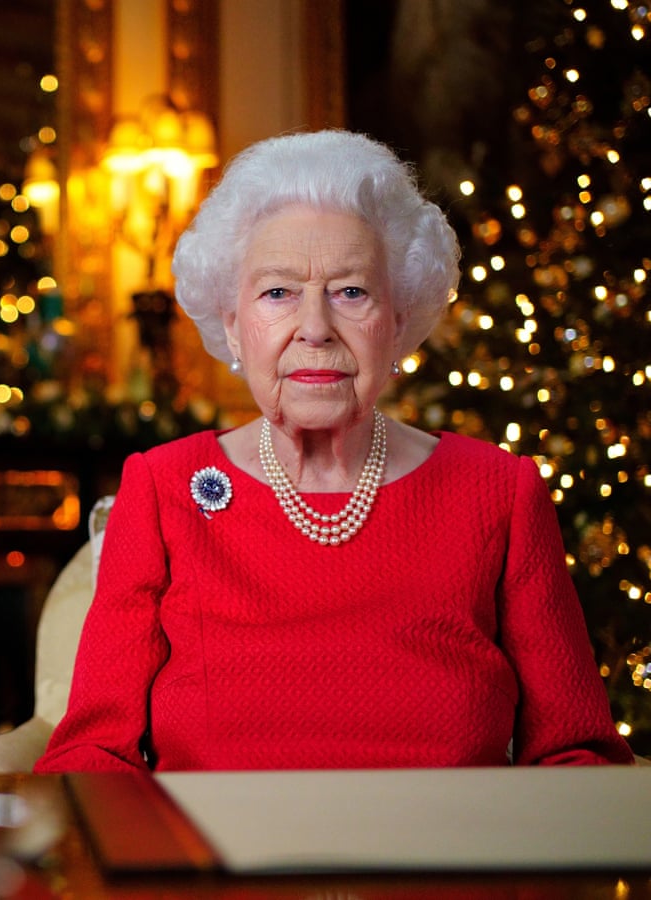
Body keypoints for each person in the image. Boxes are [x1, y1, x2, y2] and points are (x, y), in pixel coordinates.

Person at [35, 130, 634, 773]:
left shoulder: (496, 491)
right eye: (277, 293)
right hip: (214, 866)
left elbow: (576, 753)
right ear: (233, 323)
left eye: (351, 292)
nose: (315, 328)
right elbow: (92, 754)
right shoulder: (164, 487)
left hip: (446, 865)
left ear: (399, 320)